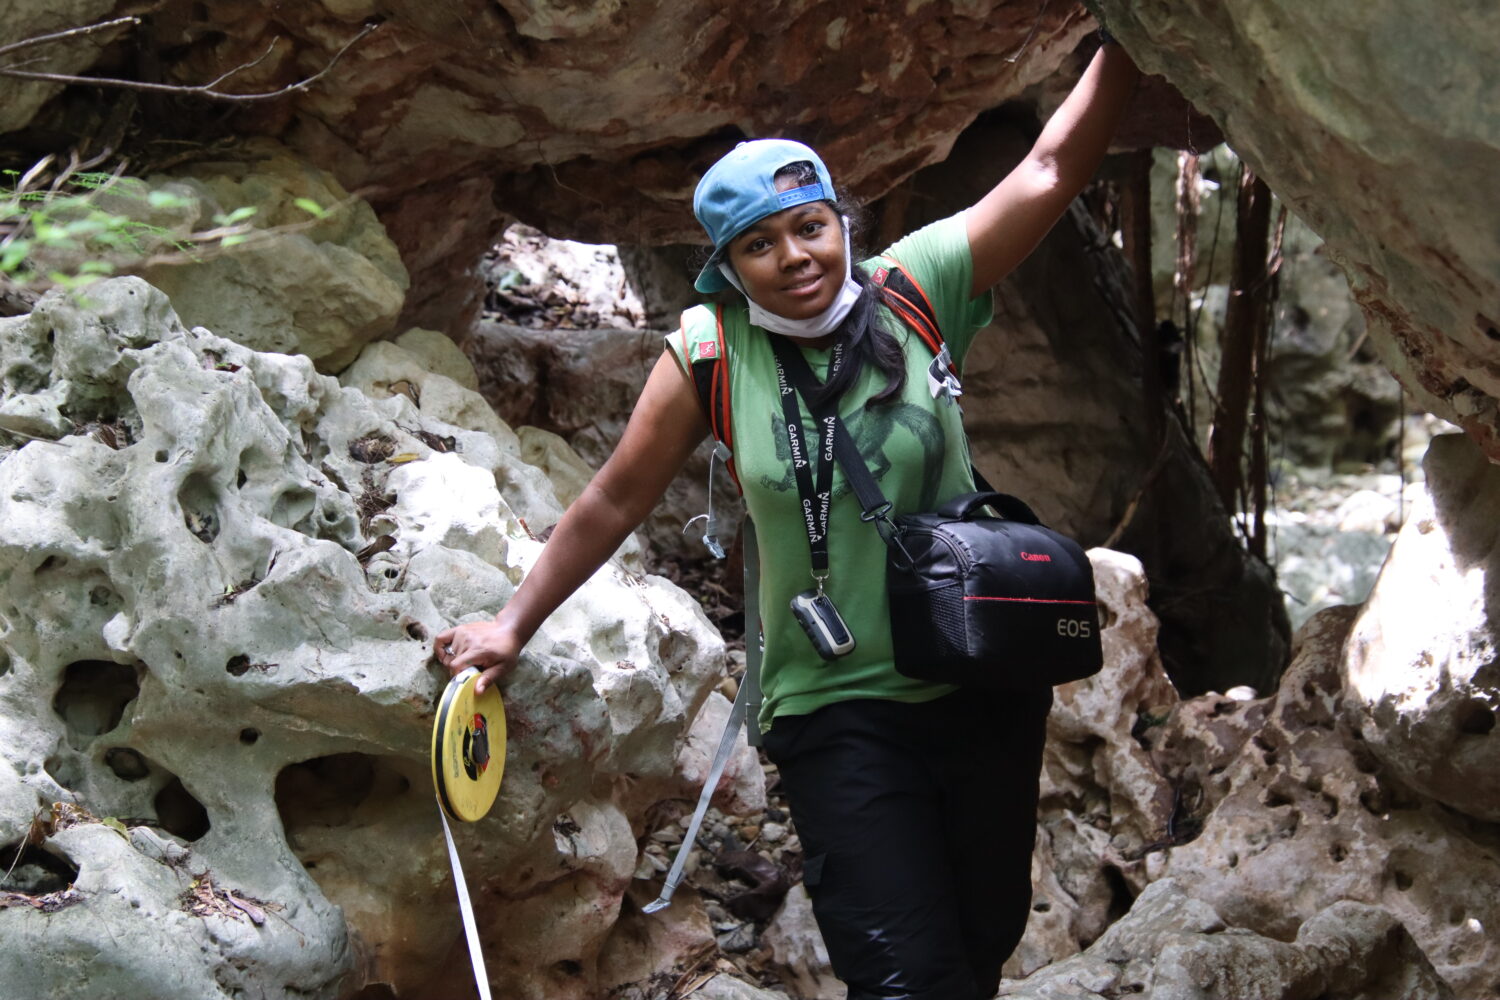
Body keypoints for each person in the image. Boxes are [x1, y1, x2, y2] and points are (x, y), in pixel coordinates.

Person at [437, 37, 1139, 1000]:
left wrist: (1139, 39)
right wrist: (513, 624)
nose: (793, 258)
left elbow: (1052, 167)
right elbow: (613, 497)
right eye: (759, 246)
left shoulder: (918, 287)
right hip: (835, 706)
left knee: (978, 950)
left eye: (808, 227)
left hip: (982, 682)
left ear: (839, 221)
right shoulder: (709, 354)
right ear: (727, 268)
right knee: (902, 976)